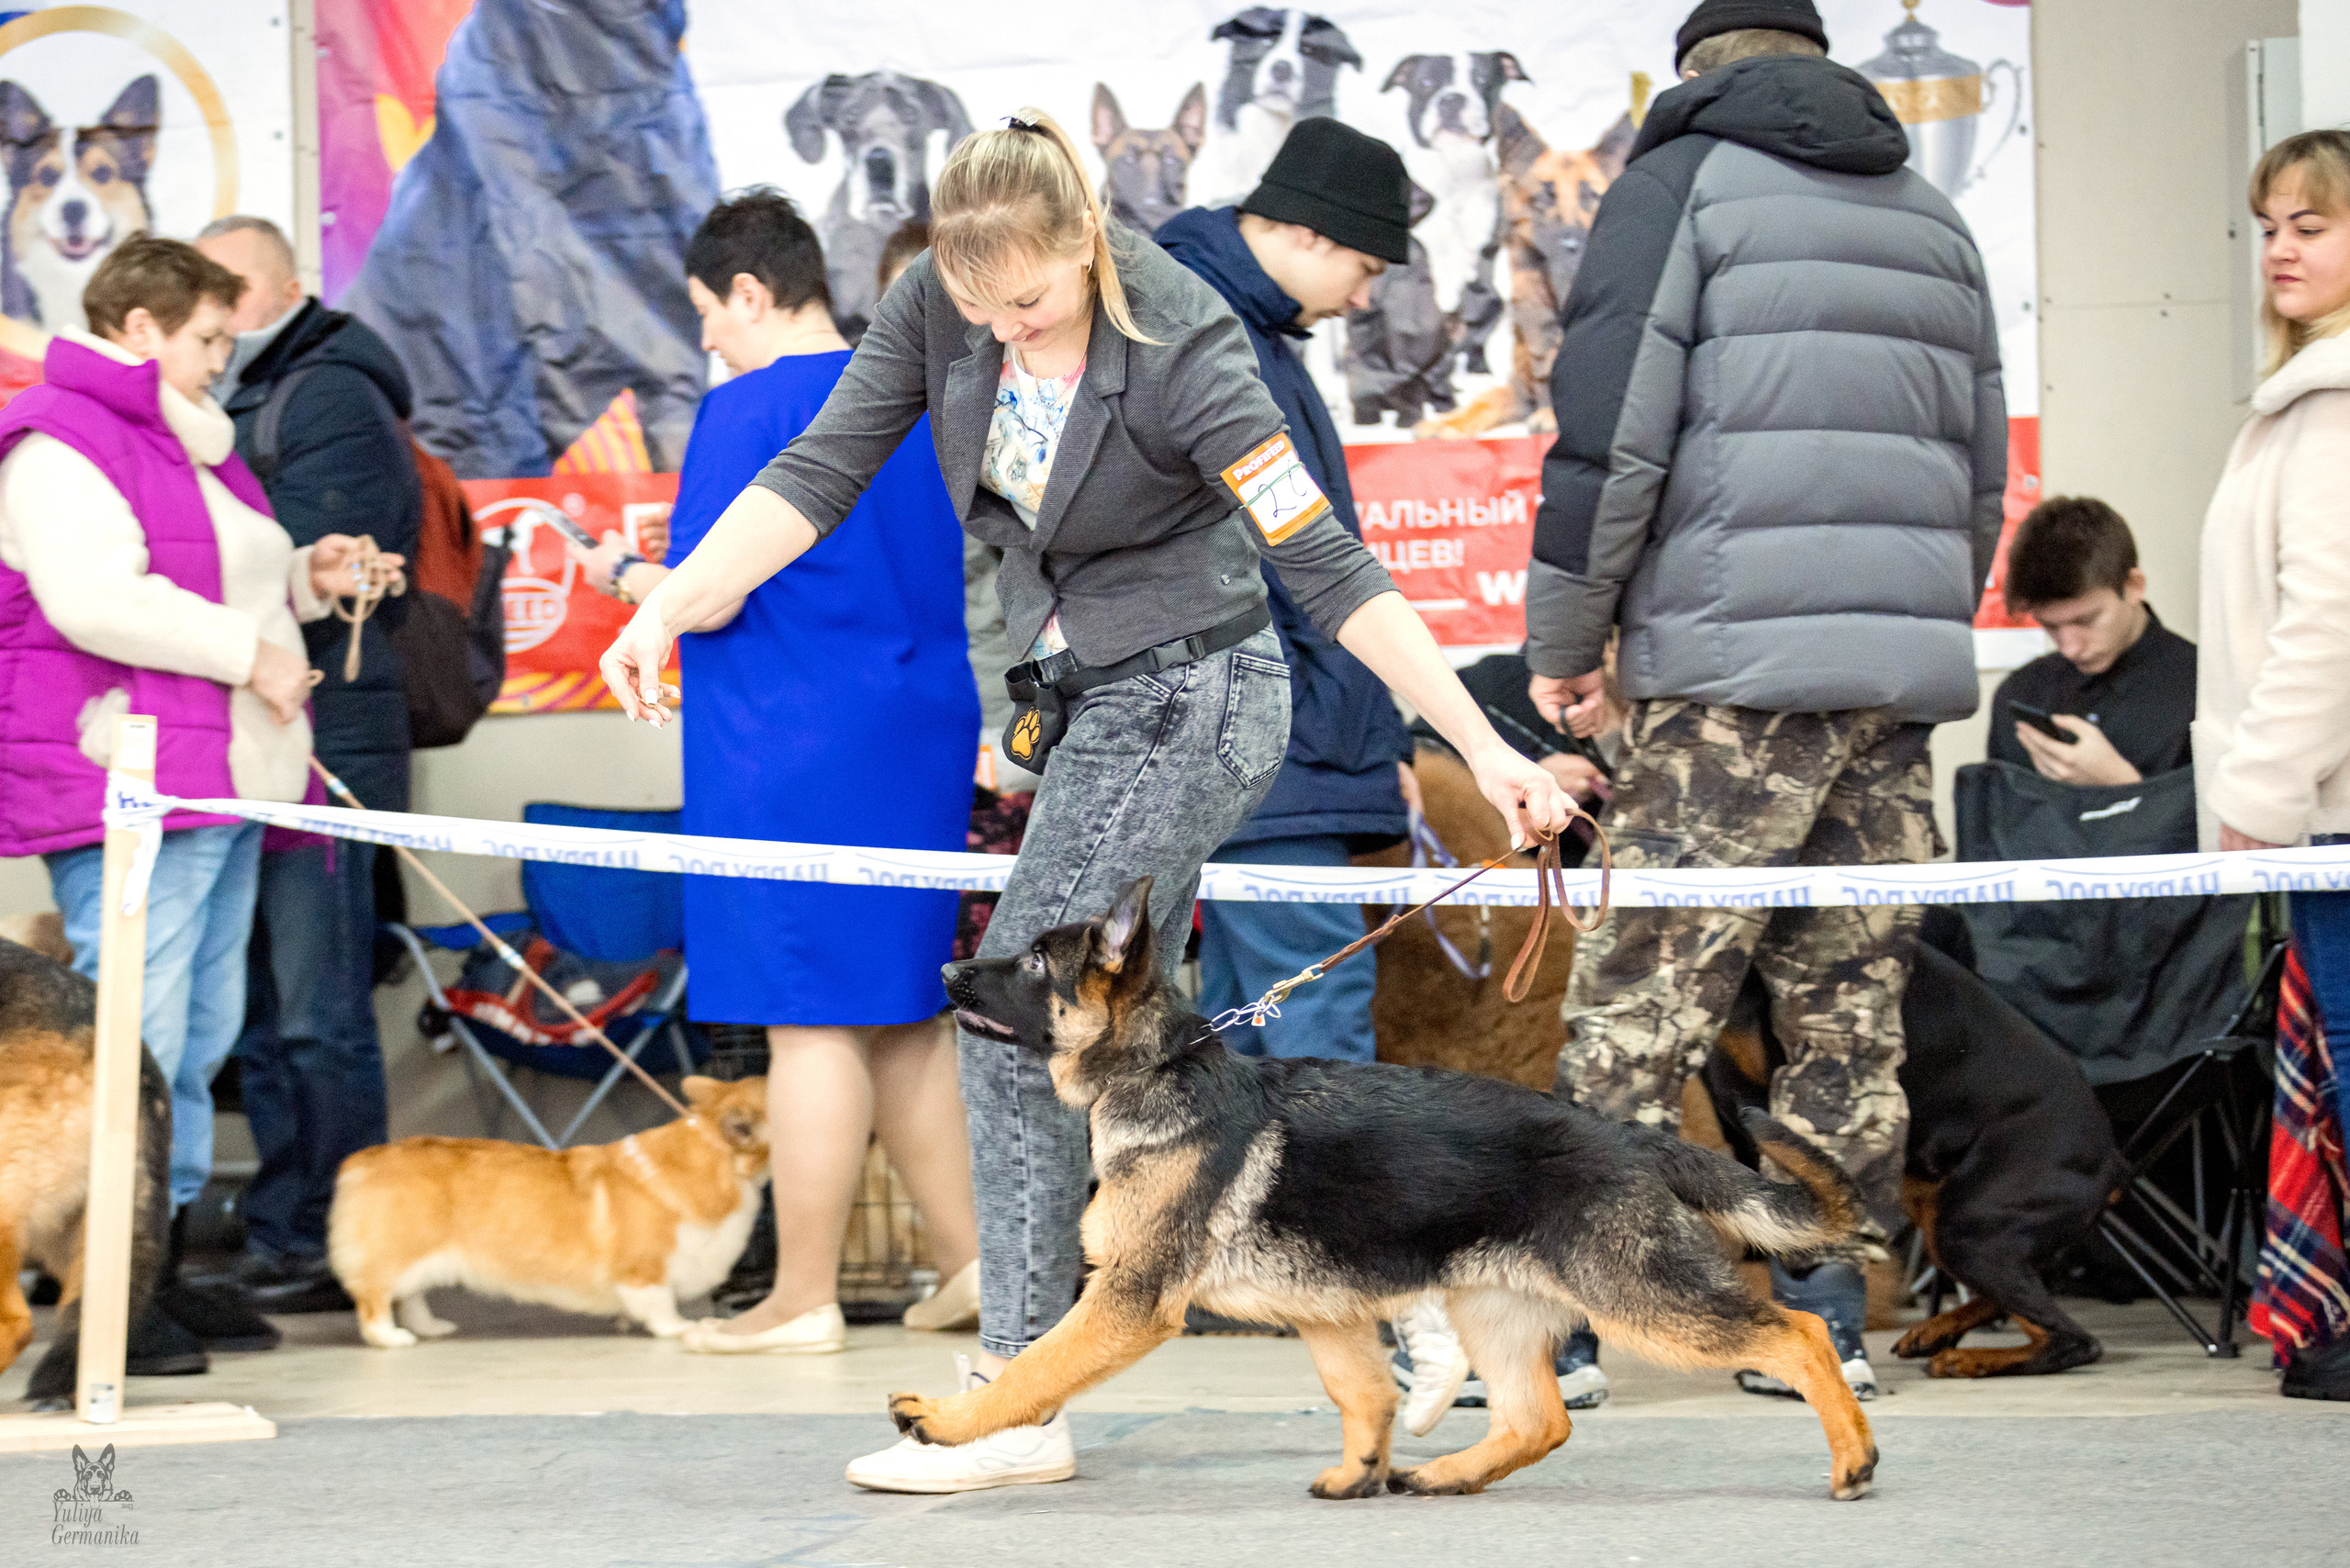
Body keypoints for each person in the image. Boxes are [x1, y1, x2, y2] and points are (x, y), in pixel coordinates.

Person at [596, 108, 1572, 1494]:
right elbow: (817, 473)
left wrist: (1485, 747)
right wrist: (676, 610)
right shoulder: (947, 301)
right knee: (1146, 1047)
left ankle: (1016, 1400)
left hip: (1203, 694)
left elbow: (1330, 568)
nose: (1003, 336)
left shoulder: (1187, 345)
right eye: (977, 306)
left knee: (1019, 1011)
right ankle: (1402, 1285)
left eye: (1033, 304)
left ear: (1091, 244)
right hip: (1091, 696)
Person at [1512, 0, 2006, 1406]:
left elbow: (1609, 440)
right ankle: (1823, 1322)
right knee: (1849, 1018)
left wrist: (1569, 637)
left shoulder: (1679, 185)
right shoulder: (1930, 209)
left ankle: (1571, 1327)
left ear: (1694, 74)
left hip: (1728, 683)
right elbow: (1974, 470)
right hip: (1886, 690)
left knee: (1642, 1006)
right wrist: (1909, 629)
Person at [568, 189, 984, 1356]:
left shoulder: (748, 404)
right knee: (900, 1015)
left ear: (752, 292)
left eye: (707, 310)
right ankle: (972, 1261)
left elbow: (723, 584)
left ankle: (802, 1294)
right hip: (915, 728)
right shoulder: (911, 394)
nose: (704, 337)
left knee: (809, 1019)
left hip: (790, 741)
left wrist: (631, 588)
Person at [0, 236, 391, 1368]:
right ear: (139, 328)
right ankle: (99, 1295)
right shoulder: (60, 441)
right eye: (211, 338)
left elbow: (214, 574)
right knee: (138, 1030)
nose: (227, 359)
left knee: (201, 1028)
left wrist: (306, 582)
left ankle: (152, 1262)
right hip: (124, 770)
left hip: (213, 773)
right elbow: (92, 600)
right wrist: (248, 652)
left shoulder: (186, 443)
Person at [195, 215, 422, 1314]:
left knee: (319, 1008)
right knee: (258, 1010)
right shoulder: (223, 398)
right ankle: (287, 1224)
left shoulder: (328, 392)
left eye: (224, 290)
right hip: (250, 732)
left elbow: (298, 574)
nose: (210, 315)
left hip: (329, 735)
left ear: (282, 287)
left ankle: (341, 1239)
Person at [1157, 120, 1419, 1070]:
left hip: (1271, 742)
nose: (1366, 294)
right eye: (1365, 263)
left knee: (1242, 1037)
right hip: (1269, 744)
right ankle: (1323, 1227)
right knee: (1313, 1030)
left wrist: (1378, 734)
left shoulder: (1245, 328)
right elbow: (1301, 570)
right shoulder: (1217, 332)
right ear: (1307, 232)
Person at [2197, 129, 2350, 1401]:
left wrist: (2260, 793)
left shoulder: (2339, 404)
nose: (2284, 247)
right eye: (2270, 225)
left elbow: (2329, 625)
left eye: (2315, 222)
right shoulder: (2303, 398)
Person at [1989, 497, 2195, 787]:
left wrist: (2120, 787)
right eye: (2051, 626)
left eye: (2086, 621)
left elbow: (2222, 828)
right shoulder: (2020, 693)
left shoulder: (2204, 688)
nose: (2070, 647)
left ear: (2134, 586)